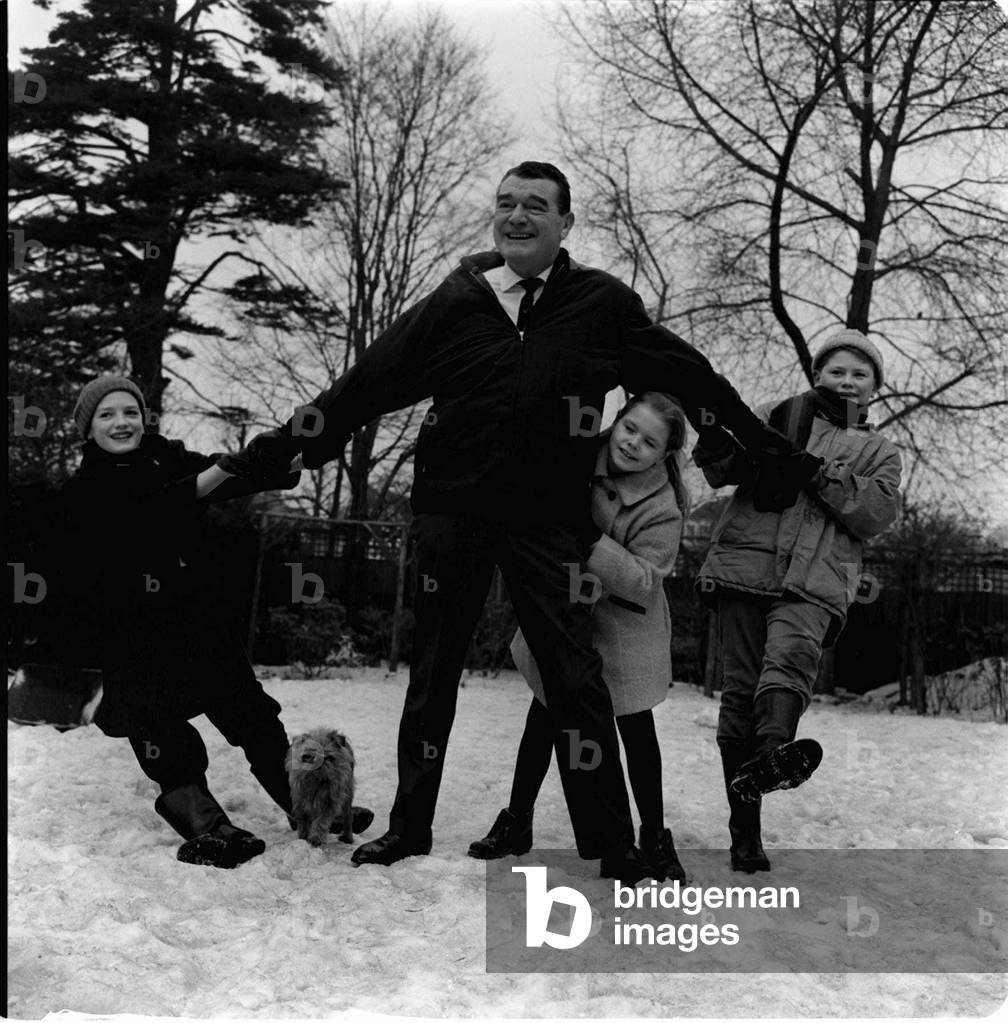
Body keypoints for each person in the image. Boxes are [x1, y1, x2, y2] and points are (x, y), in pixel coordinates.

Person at [220, 161, 816, 880]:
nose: (517, 216)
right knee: (433, 673)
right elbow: (365, 383)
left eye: (536, 205)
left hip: (547, 520)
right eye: (506, 204)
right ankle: (409, 827)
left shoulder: (601, 305)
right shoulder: (458, 300)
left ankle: (614, 842)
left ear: (567, 223)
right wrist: (278, 451)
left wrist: (764, 447)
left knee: (575, 675)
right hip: (453, 509)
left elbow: (688, 374)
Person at [47, 376, 373, 869]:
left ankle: (305, 808)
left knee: (255, 718)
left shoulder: (166, 457)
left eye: (129, 412)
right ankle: (208, 827)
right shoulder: (84, 489)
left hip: (193, 622)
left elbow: (229, 475)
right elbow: (156, 508)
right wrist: (224, 469)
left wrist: (286, 458)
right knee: (165, 734)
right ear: (87, 428)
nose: (121, 422)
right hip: (128, 636)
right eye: (106, 415)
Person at [692, 329, 902, 872]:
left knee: (790, 662)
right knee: (740, 692)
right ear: (817, 375)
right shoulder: (778, 415)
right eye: (837, 371)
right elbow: (724, 471)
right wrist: (713, 439)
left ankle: (772, 753)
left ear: (876, 387)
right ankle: (745, 833)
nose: (847, 381)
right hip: (745, 565)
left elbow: (875, 513)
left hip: (816, 580)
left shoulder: (881, 452)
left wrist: (816, 470)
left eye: (861, 373)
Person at [469, 392, 690, 882]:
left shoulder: (663, 507)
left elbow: (644, 580)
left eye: (649, 442)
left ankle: (653, 835)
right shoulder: (578, 457)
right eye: (630, 428)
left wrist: (592, 543)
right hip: (564, 615)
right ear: (618, 421)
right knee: (544, 717)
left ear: (664, 454)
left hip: (624, 626)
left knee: (636, 732)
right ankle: (516, 822)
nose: (633, 444)